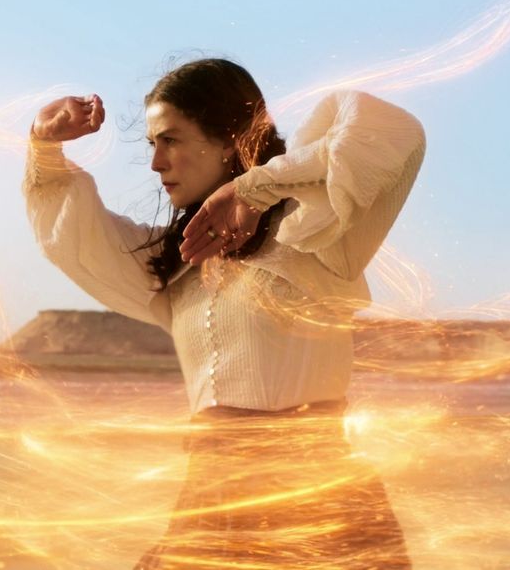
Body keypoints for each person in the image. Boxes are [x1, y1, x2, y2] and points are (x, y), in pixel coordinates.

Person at [24, 58, 426, 568]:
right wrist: (44, 144)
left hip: (318, 505)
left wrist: (254, 188)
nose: (156, 163)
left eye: (170, 140)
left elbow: (392, 132)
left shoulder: (317, 229)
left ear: (230, 138)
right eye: (151, 145)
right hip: (210, 510)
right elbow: (74, 236)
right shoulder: (176, 261)